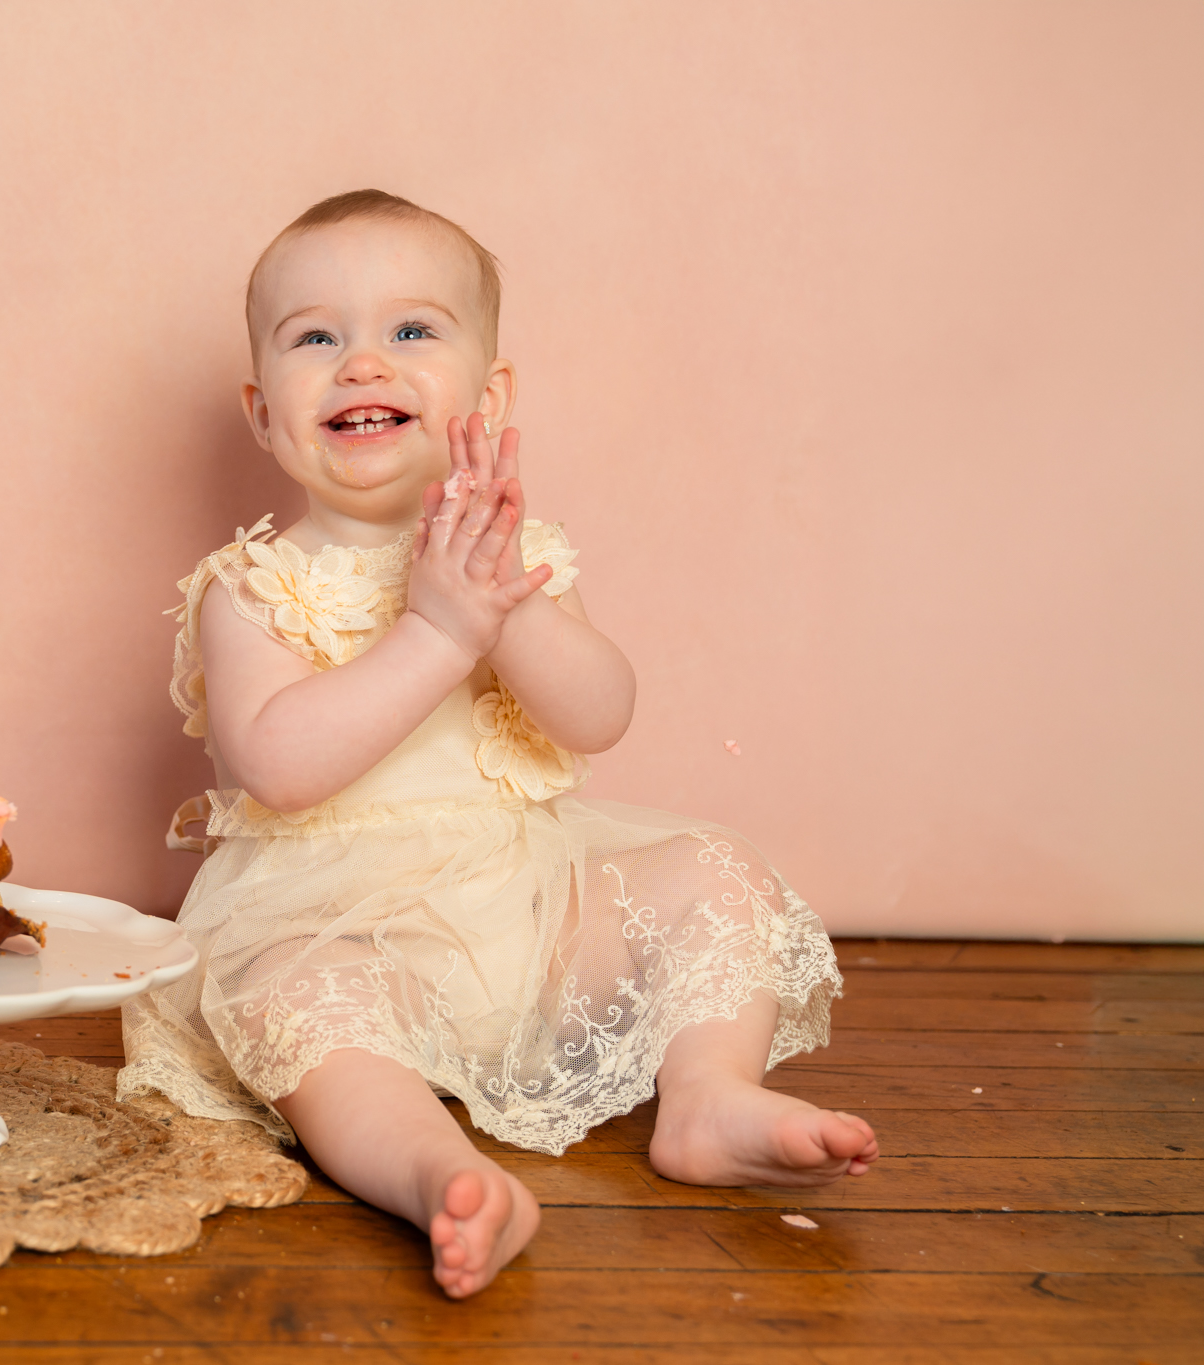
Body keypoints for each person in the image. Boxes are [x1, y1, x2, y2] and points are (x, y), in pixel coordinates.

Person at [118, 190, 878, 1299]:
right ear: (261, 412)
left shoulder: (513, 560)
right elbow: (276, 765)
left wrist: (504, 608)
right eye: (316, 337)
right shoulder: (249, 591)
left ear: (489, 392)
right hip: (339, 931)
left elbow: (597, 713)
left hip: (528, 920)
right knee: (287, 999)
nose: (362, 363)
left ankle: (710, 1094)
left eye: (411, 331)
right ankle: (432, 1170)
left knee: (714, 872)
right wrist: (436, 630)